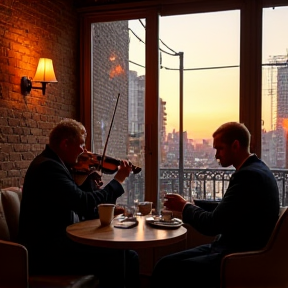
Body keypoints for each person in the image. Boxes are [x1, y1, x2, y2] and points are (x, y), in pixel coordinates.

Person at [150, 122, 280, 288]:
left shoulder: (248, 176)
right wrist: (193, 204)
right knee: (165, 264)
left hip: (236, 257)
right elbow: (229, 208)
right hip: (238, 249)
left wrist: (184, 207)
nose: (216, 155)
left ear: (235, 145)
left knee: (166, 268)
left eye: (219, 149)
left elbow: (211, 225)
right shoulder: (257, 169)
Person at [18, 118, 140, 288]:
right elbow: (83, 202)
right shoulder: (48, 168)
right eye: (81, 145)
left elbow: (84, 206)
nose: (84, 151)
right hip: (47, 252)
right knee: (123, 257)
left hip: (59, 244)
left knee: (128, 255)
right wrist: (118, 179)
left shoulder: (58, 165)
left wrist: (95, 190)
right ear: (65, 144)